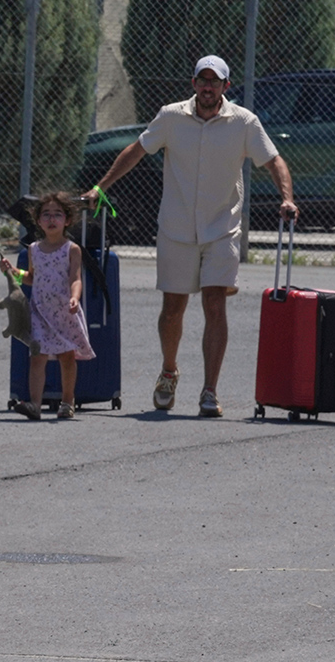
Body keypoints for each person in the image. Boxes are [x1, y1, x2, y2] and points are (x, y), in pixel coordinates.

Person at [81, 55, 297, 418]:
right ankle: (169, 371)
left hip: (222, 229)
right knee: (173, 310)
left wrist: (287, 197)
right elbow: (136, 150)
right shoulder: (171, 116)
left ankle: (210, 390)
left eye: (215, 81)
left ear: (227, 87)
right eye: (202, 80)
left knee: (215, 303)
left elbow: (273, 160)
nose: (208, 87)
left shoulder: (244, 122)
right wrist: (99, 189)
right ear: (194, 83)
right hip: (176, 228)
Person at [0, 192, 95, 420]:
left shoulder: (71, 249)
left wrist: (75, 297)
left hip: (64, 312)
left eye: (57, 214)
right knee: (37, 357)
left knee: (66, 356)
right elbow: (33, 277)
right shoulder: (33, 249)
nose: (52, 219)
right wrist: (13, 271)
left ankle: (67, 401)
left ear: (67, 220)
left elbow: (76, 278)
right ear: (39, 220)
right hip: (40, 311)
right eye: (46, 215)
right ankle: (35, 404)